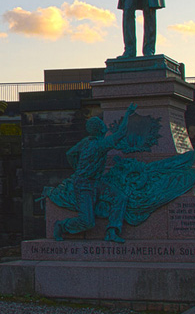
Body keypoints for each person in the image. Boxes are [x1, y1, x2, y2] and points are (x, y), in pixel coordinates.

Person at [50, 103, 137, 243]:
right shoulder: (100, 145)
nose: (105, 126)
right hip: (84, 186)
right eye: (103, 125)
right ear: (101, 129)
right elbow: (121, 133)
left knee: (120, 197)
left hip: (95, 182)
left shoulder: (86, 141)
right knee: (87, 222)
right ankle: (62, 225)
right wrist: (128, 113)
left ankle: (112, 231)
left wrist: (78, 169)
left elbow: (70, 153)